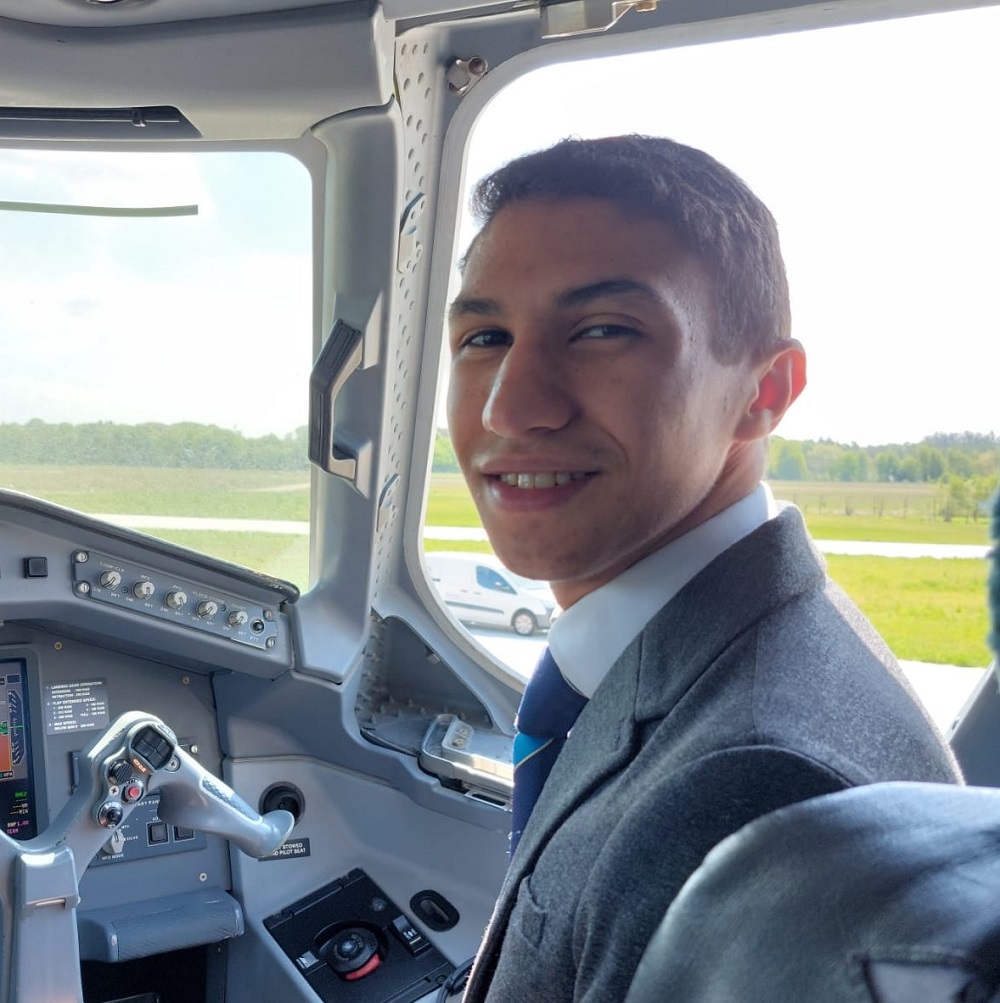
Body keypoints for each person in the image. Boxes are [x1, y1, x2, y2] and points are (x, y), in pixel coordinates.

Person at [445, 134, 961, 1002]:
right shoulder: (753, 626)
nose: (512, 405)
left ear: (764, 391)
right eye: (486, 336)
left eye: (603, 331)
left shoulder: (746, 792)